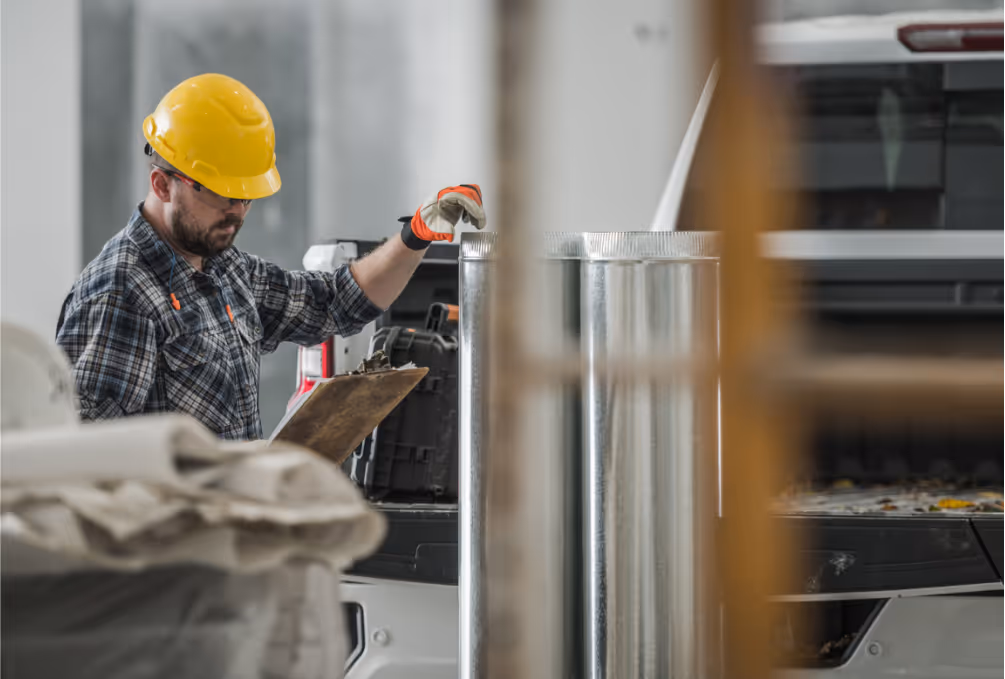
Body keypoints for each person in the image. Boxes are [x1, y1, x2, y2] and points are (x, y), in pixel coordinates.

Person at [56, 73, 485, 440]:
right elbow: (85, 462)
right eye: (224, 195)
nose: (238, 213)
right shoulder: (120, 293)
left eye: (247, 197)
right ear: (163, 184)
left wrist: (416, 235)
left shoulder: (225, 269)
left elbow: (335, 302)